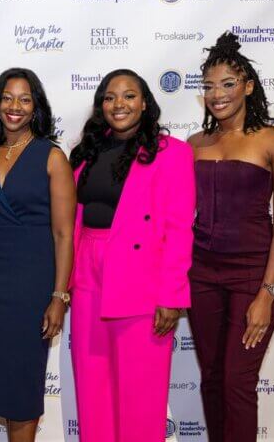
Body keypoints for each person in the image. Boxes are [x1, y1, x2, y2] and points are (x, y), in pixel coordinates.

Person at [68, 69, 195, 441]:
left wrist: (171, 298)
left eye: (128, 96)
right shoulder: (86, 152)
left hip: (142, 278)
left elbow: (178, 229)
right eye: (109, 97)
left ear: (144, 103)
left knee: (141, 392)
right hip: (87, 272)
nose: (118, 104)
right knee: (92, 388)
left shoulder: (172, 153)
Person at [186, 32, 274, 442]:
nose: (218, 95)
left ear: (248, 86)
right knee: (212, 379)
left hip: (253, 274)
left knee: (237, 381)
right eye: (209, 86)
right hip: (201, 274)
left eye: (228, 84)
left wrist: (267, 291)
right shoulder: (194, 144)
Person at [0, 68, 75, 441]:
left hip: (34, 285)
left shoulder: (51, 157)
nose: (14, 106)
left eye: (24, 99)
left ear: (36, 108)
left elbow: (65, 234)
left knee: (25, 387)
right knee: (3, 384)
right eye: (7, 97)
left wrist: (58, 295)